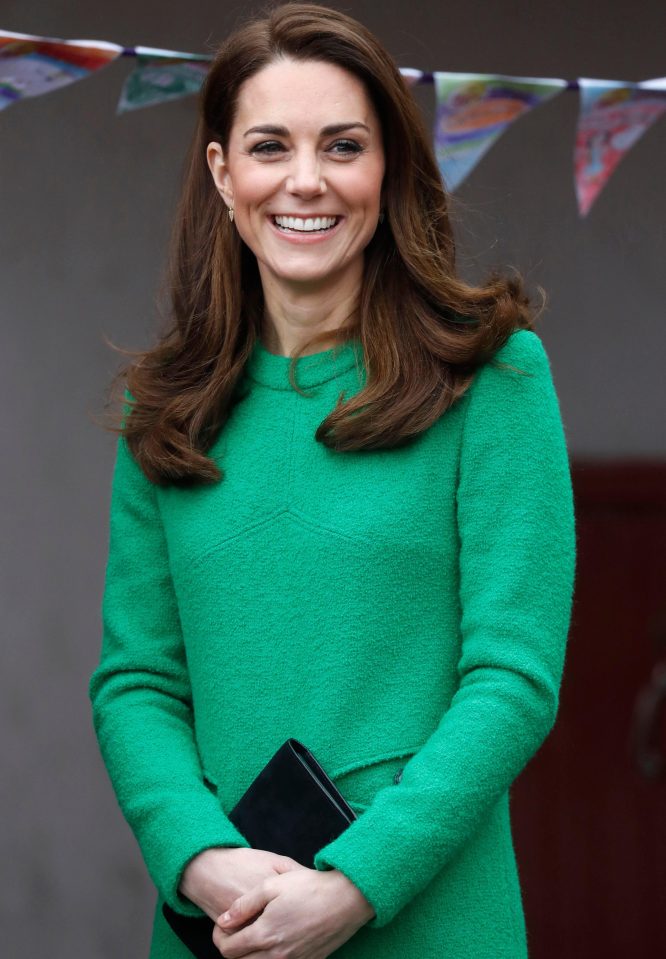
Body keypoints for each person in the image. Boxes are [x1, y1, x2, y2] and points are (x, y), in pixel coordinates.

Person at [88, 3, 577, 958]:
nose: (305, 180)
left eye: (343, 145)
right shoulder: (166, 411)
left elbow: (512, 680)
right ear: (223, 171)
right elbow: (137, 681)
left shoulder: (494, 377)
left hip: (433, 923)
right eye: (270, 146)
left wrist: (358, 880)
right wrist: (197, 857)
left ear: (387, 166)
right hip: (223, 929)